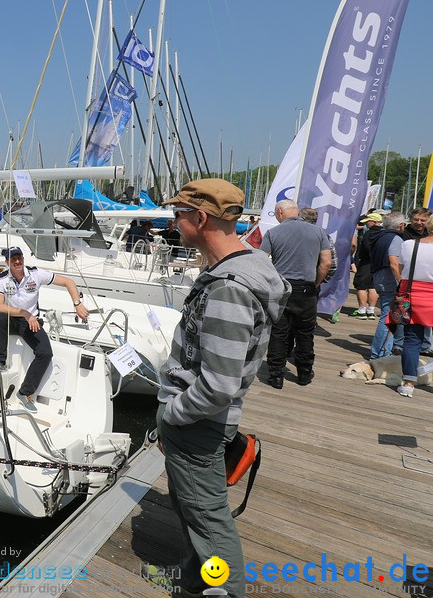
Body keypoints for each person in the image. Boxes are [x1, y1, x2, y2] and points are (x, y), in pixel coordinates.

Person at [156, 178, 289, 598]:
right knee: (193, 510)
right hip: (199, 423)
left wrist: (170, 414)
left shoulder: (229, 289)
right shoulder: (244, 265)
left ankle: (223, 590)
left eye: (179, 214)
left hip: (198, 424)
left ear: (200, 218)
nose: (174, 221)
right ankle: (194, 580)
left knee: (209, 522)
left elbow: (217, 385)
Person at [0, 246, 89, 411]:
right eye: (13, 259)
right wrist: (23, 313)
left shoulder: (35, 274)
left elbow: (68, 282)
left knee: (45, 353)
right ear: (7, 262)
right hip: (13, 317)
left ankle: (24, 392)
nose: (17, 261)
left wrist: (77, 304)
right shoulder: (0, 278)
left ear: (23, 258)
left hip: (30, 322)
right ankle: (0, 360)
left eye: (19, 257)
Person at [258, 200, 331, 388]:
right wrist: (316, 282)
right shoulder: (318, 232)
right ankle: (304, 373)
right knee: (305, 333)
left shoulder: (273, 233)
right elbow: (326, 263)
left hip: (281, 288)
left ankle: (276, 375)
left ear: (280, 212)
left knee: (278, 332)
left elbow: (261, 260)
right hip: (306, 288)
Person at [396, 229, 433, 396]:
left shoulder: (409, 245)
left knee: (412, 339)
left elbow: (402, 270)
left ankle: (408, 384)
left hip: (412, 294)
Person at [368, 212, 407, 361]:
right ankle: (380, 354)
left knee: (388, 315)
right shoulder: (395, 239)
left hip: (379, 278)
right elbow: (393, 262)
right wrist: (401, 282)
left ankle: (380, 351)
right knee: (389, 317)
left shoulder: (380, 236)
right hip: (390, 281)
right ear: (400, 225)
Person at [351, 214, 383, 319]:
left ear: (374, 222)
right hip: (378, 264)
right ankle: (371, 310)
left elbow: (365, 247)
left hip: (366, 263)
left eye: (367, 221)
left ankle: (362, 310)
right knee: (373, 286)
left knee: (361, 285)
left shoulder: (369, 233)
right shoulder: (384, 233)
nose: (365, 223)